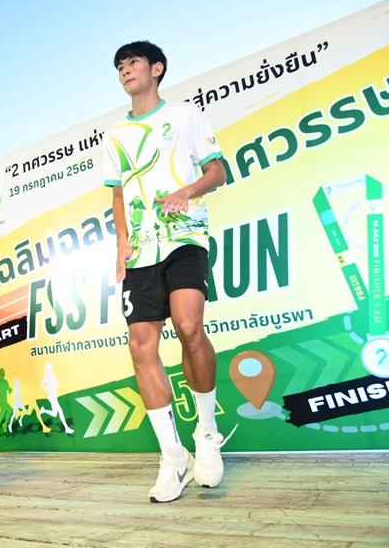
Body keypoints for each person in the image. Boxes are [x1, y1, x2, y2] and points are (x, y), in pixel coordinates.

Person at [103, 40, 230, 503]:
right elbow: (118, 194)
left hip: (184, 237)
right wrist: (121, 244)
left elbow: (218, 171)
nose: (125, 70)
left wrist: (186, 192)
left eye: (133, 62)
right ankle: (173, 457)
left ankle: (207, 433)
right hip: (140, 251)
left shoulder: (185, 115)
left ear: (156, 69)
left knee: (190, 326)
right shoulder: (115, 135)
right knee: (141, 347)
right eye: (120, 66)